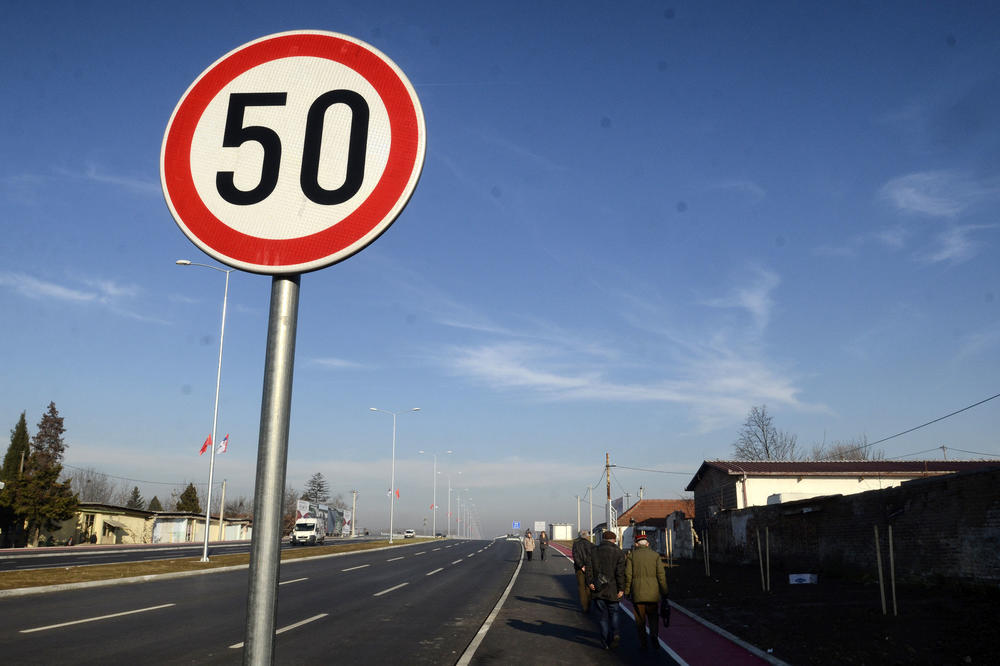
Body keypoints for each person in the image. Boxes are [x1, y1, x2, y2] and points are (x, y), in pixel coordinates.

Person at [625, 531, 668, 652]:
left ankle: (643, 643)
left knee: (640, 620)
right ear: (647, 544)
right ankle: (654, 635)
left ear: (636, 544)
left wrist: (627, 591)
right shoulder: (655, 556)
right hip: (653, 594)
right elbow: (661, 575)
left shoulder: (631, 556)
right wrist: (664, 591)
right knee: (653, 617)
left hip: (638, 594)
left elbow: (628, 575)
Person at [588, 530, 626, 650]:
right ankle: (615, 633)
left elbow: (589, 568)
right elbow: (620, 573)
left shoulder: (593, 551)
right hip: (613, 589)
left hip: (598, 588)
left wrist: (589, 582)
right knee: (614, 613)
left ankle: (605, 641)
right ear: (614, 540)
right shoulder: (619, 553)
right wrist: (621, 588)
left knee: (602, 617)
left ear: (603, 539)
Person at [572, 529, 595, 612]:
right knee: (588, 585)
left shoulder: (576, 544)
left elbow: (575, 556)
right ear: (587, 536)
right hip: (590, 568)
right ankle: (589, 602)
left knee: (581, 587)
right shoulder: (591, 545)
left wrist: (581, 566)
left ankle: (584, 606)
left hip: (579, 568)